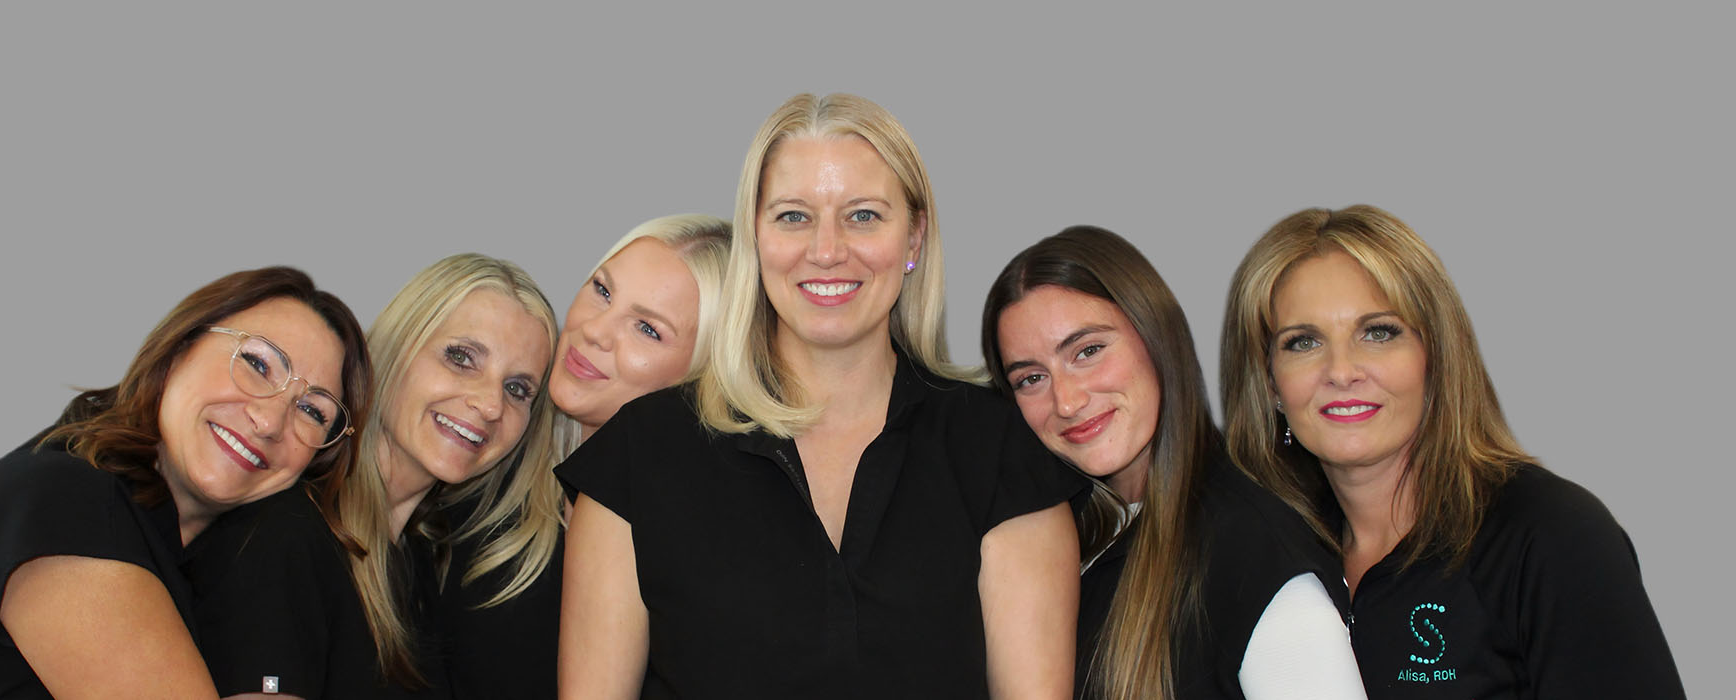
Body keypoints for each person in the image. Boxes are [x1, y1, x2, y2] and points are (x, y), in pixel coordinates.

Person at [557, 93, 1087, 699]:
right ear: (754, 237)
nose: (828, 249)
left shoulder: (996, 448)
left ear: (913, 240)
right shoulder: (639, 451)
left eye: (863, 215)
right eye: (793, 216)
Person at [1219, 205, 1685, 698]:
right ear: (1269, 383)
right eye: (1303, 342)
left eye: (1378, 332)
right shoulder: (1261, 551)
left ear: (1436, 355)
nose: (1341, 370)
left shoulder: (1551, 535)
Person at [0, 266, 370, 700]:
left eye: (312, 411)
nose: (269, 420)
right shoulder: (66, 504)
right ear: (180, 347)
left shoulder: (200, 558)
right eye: (258, 364)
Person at [982, 226, 1366, 700]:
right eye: (1031, 378)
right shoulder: (1051, 536)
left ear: (1156, 336)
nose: (1066, 400)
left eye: (1088, 351)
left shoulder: (1253, 552)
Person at [183, 254, 556, 699]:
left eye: (517, 389)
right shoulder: (285, 534)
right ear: (394, 349)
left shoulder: (420, 557)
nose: (491, 405)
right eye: (461, 358)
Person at [440, 214, 730, 699]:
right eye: (602, 290)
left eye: (647, 328)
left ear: (702, 373)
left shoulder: (700, 549)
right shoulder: (482, 456)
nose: (595, 330)